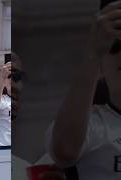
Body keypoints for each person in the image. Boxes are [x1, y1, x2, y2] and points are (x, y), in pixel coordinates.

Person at [46, 1, 121, 179]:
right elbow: (64, 152)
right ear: (101, 66)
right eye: (115, 46)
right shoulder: (91, 126)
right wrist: (94, 52)